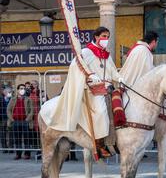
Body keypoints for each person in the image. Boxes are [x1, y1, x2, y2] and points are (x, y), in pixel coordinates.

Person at [40, 26, 123, 159]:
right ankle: (100, 144)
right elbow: (76, 66)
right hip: (93, 89)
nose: (106, 39)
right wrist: (90, 76)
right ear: (96, 37)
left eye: (107, 37)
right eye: (103, 36)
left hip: (107, 87)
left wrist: (118, 77)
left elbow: (112, 70)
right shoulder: (86, 52)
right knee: (101, 111)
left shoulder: (106, 54)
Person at [7, 84, 34, 160]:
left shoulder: (28, 99)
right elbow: (8, 110)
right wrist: (11, 119)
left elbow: (32, 111)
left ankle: (27, 154)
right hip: (15, 121)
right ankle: (18, 154)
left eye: (24, 88)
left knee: (26, 138)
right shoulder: (13, 99)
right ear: (18, 90)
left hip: (25, 122)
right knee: (17, 138)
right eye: (21, 88)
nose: (23, 90)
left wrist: (27, 119)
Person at [28, 80, 43, 159]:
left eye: (34, 84)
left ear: (37, 85)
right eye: (32, 84)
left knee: (40, 133)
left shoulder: (40, 92)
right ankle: (36, 149)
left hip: (39, 114)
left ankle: (40, 150)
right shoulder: (29, 93)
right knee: (34, 134)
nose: (32, 85)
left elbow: (45, 100)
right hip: (32, 115)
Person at [0, 87, 12, 153]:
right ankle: (4, 148)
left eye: (10, 92)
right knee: (3, 133)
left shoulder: (12, 99)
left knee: (10, 133)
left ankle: (11, 147)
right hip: (3, 118)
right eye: (8, 92)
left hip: (10, 118)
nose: (10, 93)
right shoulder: (1, 99)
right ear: (4, 93)